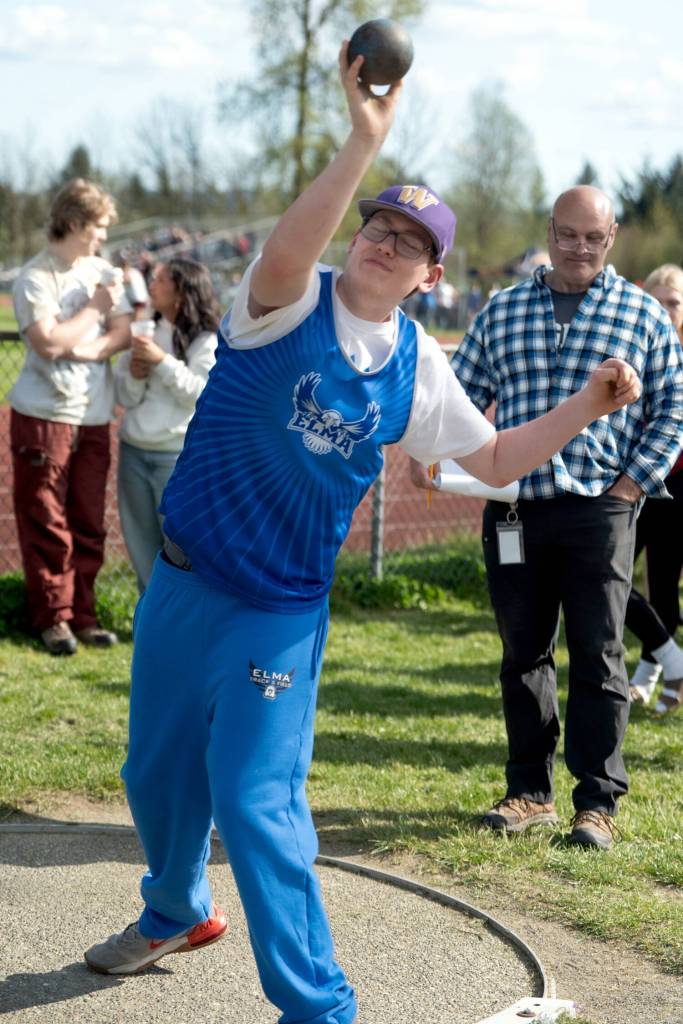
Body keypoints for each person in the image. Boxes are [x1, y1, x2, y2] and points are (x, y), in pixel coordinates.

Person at [83, 46, 641, 1024]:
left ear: (429, 274)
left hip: (278, 612)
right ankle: (175, 909)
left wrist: (587, 406)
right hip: (183, 580)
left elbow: (496, 458)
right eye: (378, 225)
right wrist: (361, 140)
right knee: (154, 774)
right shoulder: (285, 299)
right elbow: (290, 248)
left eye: (409, 241)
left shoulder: (416, 364)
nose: (387, 242)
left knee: (254, 799)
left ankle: (320, 1007)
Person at [414, 186, 683, 851]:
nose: (578, 248)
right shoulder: (502, 310)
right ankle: (528, 791)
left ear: (611, 237)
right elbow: (459, 395)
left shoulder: (643, 315)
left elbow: (672, 411)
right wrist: (432, 450)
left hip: (600, 508)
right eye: (567, 234)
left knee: (599, 654)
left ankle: (597, 803)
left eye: (592, 237)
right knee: (522, 653)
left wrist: (629, 486)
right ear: (549, 231)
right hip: (513, 508)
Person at [10, 178, 132, 655]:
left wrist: (87, 348)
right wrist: (95, 310)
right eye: (99, 226)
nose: (103, 236)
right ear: (76, 224)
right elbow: (47, 341)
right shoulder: (35, 278)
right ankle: (53, 619)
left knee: (88, 519)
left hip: (95, 415)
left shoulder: (101, 269)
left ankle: (83, 615)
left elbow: (122, 332)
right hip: (44, 415)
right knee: (45, 519)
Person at [114, 257, 220, 593]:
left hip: (176, 457)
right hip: (133, 451)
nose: (152, 285)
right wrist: (135, 374)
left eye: (160, 280)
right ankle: (149, 615)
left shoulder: (207, 340)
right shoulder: (146, 331)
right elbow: (126, 396)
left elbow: (200, 395)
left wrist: (161, 362)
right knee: (141, 547)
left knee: (181, 549)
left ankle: (182, 615)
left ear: (182, 291)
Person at [625, 264, 683, 712]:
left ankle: (648, 679)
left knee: (663, 587)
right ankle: (672, 663)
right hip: (633, 482)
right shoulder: (635, 348)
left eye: (674, 302)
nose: (664, 310)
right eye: (657, 302)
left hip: (675, 487)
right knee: (608, 575)